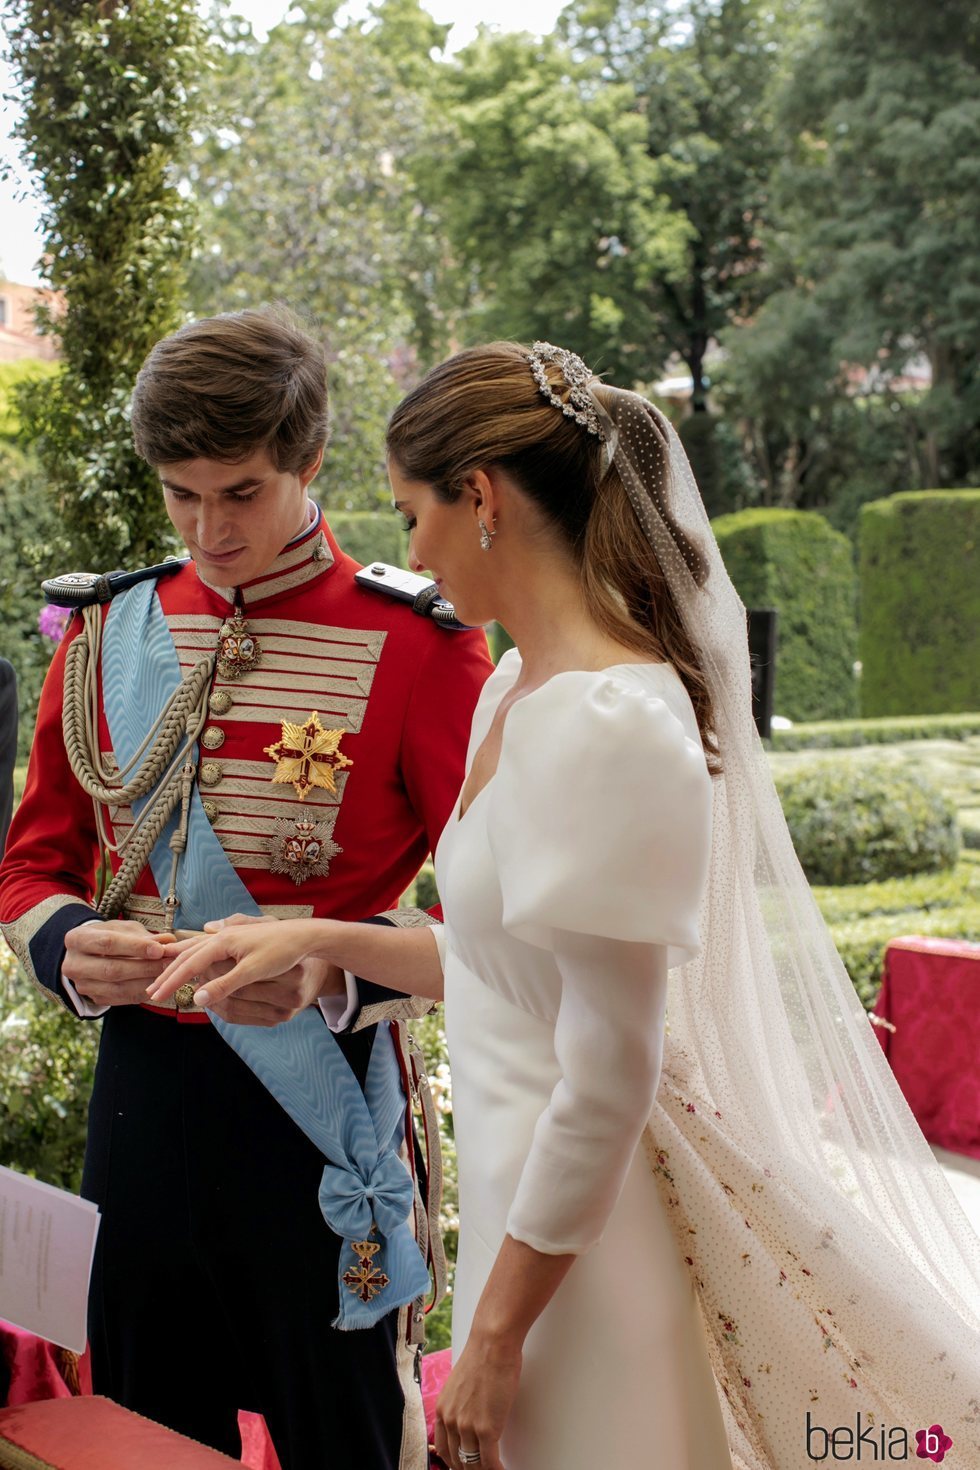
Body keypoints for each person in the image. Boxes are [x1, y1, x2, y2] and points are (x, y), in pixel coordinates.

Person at [149, 340, 980, 1470]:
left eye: (409, 514)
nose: (410, 548)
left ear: (480, 499)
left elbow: (608, 1070)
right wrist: (311, 940)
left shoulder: (611, 723)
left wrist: (494, 1338)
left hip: (579, 1254)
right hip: (516, 1213)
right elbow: (507, 968)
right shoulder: (514, 686)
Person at [0, 309, 492, 1470]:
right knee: (142, 1433)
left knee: (346, 1435)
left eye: (241, 491)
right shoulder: (109, 627)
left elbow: (492, 921)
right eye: (180, 494)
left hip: (320, 1104)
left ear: (310, 464)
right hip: (144, 1098)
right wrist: (66, 943)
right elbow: (34, 860)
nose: (209, 530)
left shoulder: (420, 643)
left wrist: (331, 965)